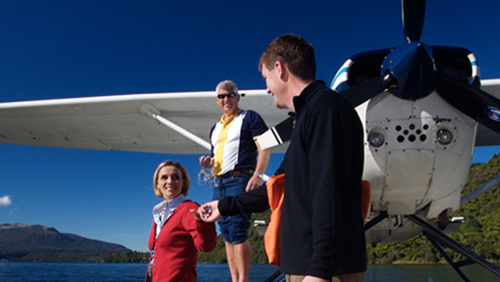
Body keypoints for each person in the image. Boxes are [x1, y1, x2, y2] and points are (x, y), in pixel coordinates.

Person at [198, 34, 366, 282]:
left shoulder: (326, 110)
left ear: (280, 69)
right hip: (306, 263)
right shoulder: (309, 116)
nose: (266, 88)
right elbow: (277, 185)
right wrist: (224, 206)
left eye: (266, 78)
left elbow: (329, 192)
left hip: (324, 269)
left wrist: (320, 270)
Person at [199, 79, 271, 282]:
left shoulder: (249, 118)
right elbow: (217, 157)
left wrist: (257, 175)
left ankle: (243, 280)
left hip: (240, 179)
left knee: (238, 229)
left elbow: (264, 147)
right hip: (219, 182)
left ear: (238, 97)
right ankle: (235, 279)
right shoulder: (215, 128)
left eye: (230, 94)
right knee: (227, 232)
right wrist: (209, 163)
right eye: (222, 96)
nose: (226, 99)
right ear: (217, 100)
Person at [146, 160, 217, 282]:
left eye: (175, 177)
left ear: (183, 183)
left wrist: (203, 223)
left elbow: (207, 246)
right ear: (157, 184)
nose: (170, 181)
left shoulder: (190, 209)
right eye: (164, 177)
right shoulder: (159, 213)